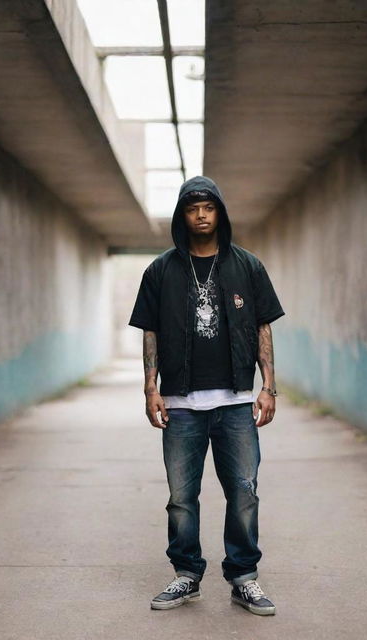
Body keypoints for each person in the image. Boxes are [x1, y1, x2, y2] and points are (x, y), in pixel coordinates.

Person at [129, 175, 284, 616]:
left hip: (235, 401)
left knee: (244, 492)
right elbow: (151, 331)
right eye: (192, 207)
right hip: (181, 404)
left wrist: (268, 386)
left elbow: (262, 328)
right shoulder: (160, 270)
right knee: (181, 496)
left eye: (208, 207)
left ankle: (243, 578)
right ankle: (186, 575)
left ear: (220, 213)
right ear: (183, 215)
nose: (201, 215)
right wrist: (150, 388)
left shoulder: (247, 266)